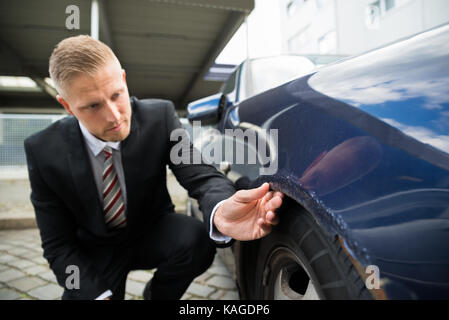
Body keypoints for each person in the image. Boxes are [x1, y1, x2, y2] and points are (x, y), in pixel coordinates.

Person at [24, 35, 283, 300]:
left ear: (123, 80)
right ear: (67, 106)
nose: (113, 115)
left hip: (151, 232)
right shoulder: (43, 150)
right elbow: (58, 246)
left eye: (116, 95)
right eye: (93, 106)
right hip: (93, 251)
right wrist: (96, 295)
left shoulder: (159, 117)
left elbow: (201, 177)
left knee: (196, 240)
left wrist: (221, 211)